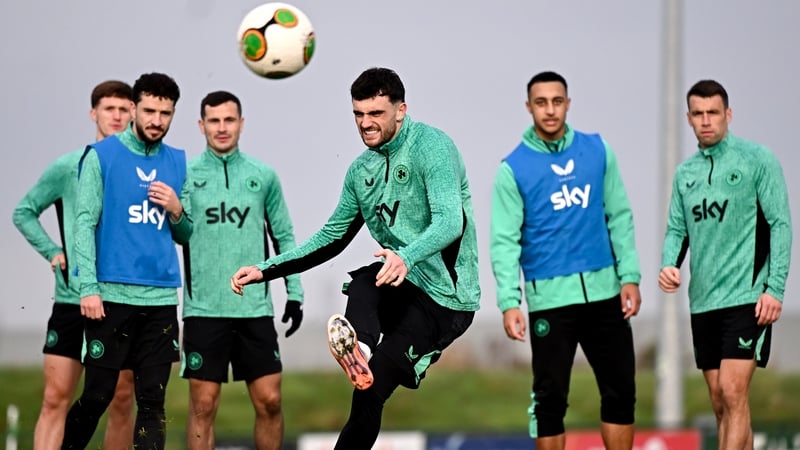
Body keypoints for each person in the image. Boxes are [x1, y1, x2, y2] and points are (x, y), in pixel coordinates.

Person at [230, 67, 480, 450]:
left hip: (447, 300)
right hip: (401, 284)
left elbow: (450, 222)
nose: (365, 123)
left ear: (401, 110)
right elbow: (331, 238)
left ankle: (366, 361)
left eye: (376, 113)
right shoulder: (360, 171)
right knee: (367, 280)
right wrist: (265, 268)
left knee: (371, 391)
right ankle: (359, 350)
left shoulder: (432, 147)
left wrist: (407, 257)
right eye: (358, 114)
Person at [490, 71, 641, 450]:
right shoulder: (513, 169)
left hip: (606, 293)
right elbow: (504, 241)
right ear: (529, 107)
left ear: (568, 103)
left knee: (621, 391)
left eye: (557, 101)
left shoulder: (598, 151)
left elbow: (619, 215)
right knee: (550, 402)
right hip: (550, 302)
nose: (550, 110)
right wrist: (510, 302)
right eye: (541, 103)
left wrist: (630, 277)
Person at [658, 79, 792, 450]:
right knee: (721, 402)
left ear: (728, 114)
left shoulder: (757, 160)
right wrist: (669, 264)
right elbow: (675, 229)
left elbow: (780, 224)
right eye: (698, 114)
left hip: (748, 298)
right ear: (688, 118)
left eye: (713, 112)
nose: (706, 121)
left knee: (734, 393)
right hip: (703, 302)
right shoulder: (685, 174)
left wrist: (774, 288)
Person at [60, 72, 191, 450]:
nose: (156, 121)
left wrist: (177, 210)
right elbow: (83, 224)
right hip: (110, 299)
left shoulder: (178, 161)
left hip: (161, 300)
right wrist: (89, 288)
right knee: (98, 396)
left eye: (165, 113)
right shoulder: (102, 156)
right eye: (149, 110)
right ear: (134, 108)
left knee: (152, 401)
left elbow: (185, 235)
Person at [12, 80, 137, 450]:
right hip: (71, 299)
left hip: (122, 301)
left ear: (133, 114)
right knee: (55, 398)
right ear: (93, 113)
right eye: (109, 108)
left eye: (123, 108)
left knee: (121, 399)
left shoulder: (140, 168)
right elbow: (24, 212)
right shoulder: (69, 166)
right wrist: (53, 250)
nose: (116, 115)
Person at [180, 90, 304, 450]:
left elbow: (284, 236)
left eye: (229, 120)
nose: (222, 128)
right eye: (214, 121)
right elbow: (179, 231)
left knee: (271, 401)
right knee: (202, 406)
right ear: (201, 125)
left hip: (254, 309)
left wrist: (294, 293)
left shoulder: (262, 176)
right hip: (204, 309)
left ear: (241, 123)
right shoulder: (185, 175)